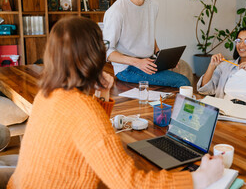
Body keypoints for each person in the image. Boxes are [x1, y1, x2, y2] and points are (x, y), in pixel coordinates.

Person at [7, 17, 223, 189]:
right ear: (94, 56)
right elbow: (130, 184)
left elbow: (86, 135)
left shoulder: (47, 95)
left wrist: (102, 94)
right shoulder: (83, 110)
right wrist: (199, 180)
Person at [102, 0, 190, 88]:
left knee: (183, 67)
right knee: (183, 82)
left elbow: (147, 33)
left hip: (149, 60)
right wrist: (138, 62)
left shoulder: (153, 5)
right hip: (127, 69)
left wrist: (160, 55)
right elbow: (107, 52)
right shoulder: (117, 11)